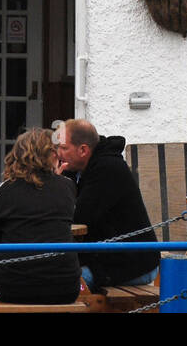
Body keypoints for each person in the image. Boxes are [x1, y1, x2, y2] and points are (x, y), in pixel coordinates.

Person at [0, 128, 80, 305]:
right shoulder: (67, 187)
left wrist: (11, 264)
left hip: (14, 287)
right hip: (64, 286)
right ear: (51, 155)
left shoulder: (4, 191)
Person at [56, 119, 158, 289]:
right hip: (104, 259)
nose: (58, 153)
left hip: (131, 264)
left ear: (83, 150)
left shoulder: (107, 169)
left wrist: (56, 185)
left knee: (61, 284)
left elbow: (78, 219)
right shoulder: (77, 170)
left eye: (64, 148)